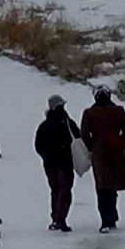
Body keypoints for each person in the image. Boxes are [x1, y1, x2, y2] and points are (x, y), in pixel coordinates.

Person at [81, 85, 125, 233]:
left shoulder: (89, 113)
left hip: (99, 154)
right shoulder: (118, 111)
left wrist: (93, 147)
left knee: (102, 186)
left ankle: (106, 219)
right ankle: (112, 216)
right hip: (116, 151)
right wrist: (120, 142)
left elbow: (84, 135)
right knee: (113, 184)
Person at [34, 94, 80, 232]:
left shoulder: (44, 125)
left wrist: (46, 156)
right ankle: (61, 219)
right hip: (65, 163)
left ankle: (55, 218)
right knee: (65, 191)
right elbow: (78, 138)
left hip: (49, 164)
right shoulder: (67, 122)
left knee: (55, 190)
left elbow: (38, 145)